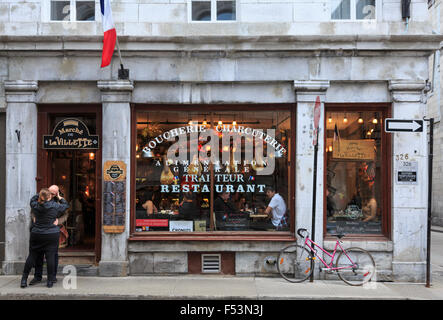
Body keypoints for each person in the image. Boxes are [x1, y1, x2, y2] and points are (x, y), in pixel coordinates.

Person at [21, 188, 69, 288]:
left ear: (40, 197)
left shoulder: (36, 205)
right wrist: (60, 198)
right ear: (49, 197)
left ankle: (24, 279)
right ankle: (50, 281)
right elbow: (65, 206)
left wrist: (40, 194)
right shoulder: (55, 206)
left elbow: (32, 200)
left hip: (37, 234)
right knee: (50, 257)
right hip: (51, 234)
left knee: (32, 256)